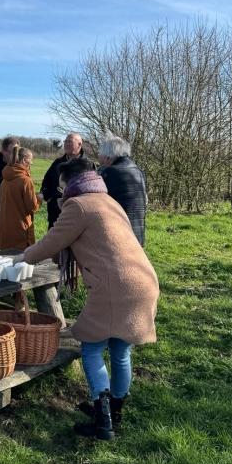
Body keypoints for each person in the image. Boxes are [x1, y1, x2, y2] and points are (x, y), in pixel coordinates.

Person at [15, 158, 159, 440]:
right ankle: (115, 411)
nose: (59, 190)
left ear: (70, 182)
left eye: (60, 185)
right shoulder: (109, 201)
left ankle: (102, 420)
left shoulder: (78, 205)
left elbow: (51, 242)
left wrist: (22, 257)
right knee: (120, 351)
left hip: (114, 288)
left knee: (91, 348)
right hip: (143, 280)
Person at [98, 134, 148, 246]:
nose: (99, 157)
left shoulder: (110, 172)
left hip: (119, 233)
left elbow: (99, 202)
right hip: (137, 232)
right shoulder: (138, 170)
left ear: (108, 156)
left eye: (100, 153)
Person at [0, 146, 42, 250]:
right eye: (31, 160)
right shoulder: (25, 181)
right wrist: (39, 198)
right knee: (22, 265)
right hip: (21, 232)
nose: (31, 164)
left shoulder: (5, 179)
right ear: (25, 159)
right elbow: (33, 207)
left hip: (4, 232)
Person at [40, 132, 84, 228]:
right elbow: (47, 180)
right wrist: (47, 195)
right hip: (55, 212)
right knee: (53, 241)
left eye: (69, 142)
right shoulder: (58, 162)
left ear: (79, 144)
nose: (66, 144)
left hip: (77, 211)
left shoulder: (86, 165)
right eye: (65, 141)